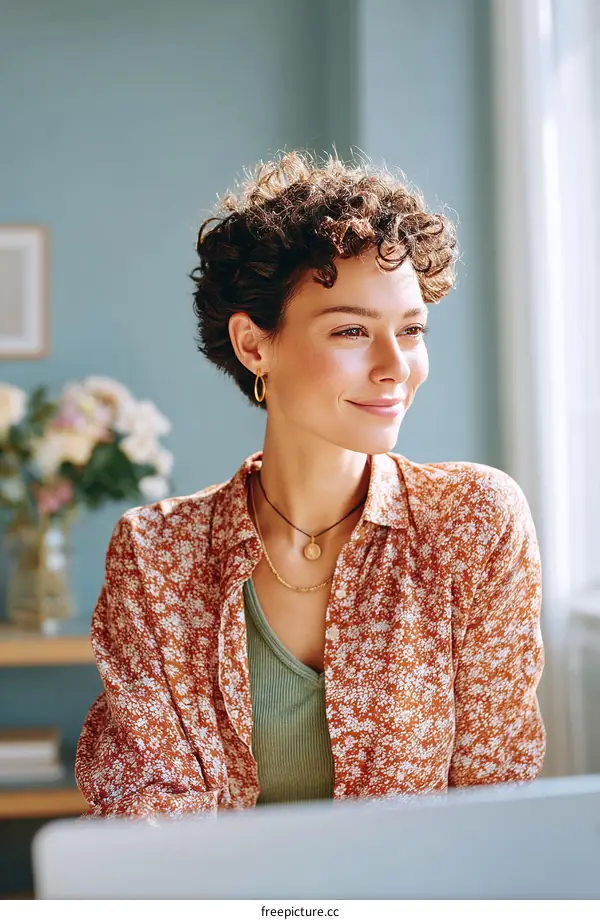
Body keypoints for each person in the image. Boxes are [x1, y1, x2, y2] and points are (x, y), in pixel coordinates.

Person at [75, 150, 546, 818]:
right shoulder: (155, 557)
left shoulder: (474, 521)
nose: (395, 367)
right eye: (352, 330)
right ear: (254, 345)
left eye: (411, 330)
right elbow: (149, 823)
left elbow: (497, 806)